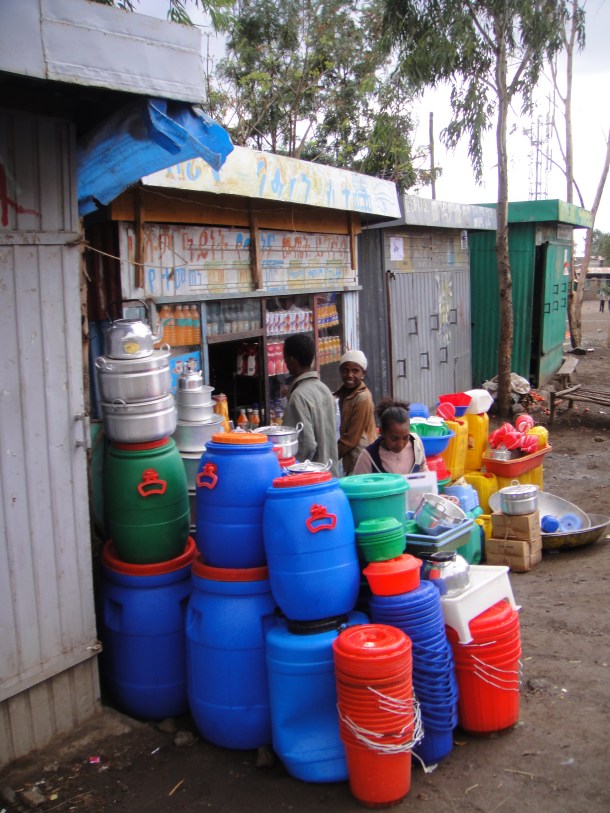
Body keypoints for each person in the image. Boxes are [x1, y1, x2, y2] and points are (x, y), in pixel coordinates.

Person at [282, 333, 339, 474]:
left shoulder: (298, 396)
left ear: (291, 360)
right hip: (329, 474)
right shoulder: (323, 389)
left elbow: (305, 445)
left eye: (285, 359)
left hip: (311, 478)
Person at [353, 397, 428, 475]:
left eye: (405, 438)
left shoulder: (416, 444)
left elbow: (423, 469)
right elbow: (359, 484)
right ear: (381, 432)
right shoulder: (369, 457)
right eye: (394, 439)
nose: (400, 444)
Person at [333, 350, 377, 475]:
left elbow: (351, 438)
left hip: (361, 456)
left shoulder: (362, 398)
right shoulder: (344, 393)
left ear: (363, 373)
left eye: (355, 371)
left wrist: (329, 457)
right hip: (352, 456)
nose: (350, 375)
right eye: (345, 370)